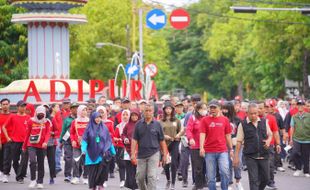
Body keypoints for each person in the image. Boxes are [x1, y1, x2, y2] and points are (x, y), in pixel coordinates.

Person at [233, 103, 273, 190]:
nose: (254, 115)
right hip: (250, 156)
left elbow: (270, 134)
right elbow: (239, 142)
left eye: (255, 113)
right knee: (253, 180)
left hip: (264, 155)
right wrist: (236, 157)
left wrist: (268, 141)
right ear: (247, 113)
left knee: (266, 179)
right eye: (251, 113)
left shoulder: (264, 122)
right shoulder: (242, 124)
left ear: (258, 112)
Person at [131, 103, 167, 190]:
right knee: (140, 177)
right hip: (141, 154)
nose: (148, 112)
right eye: (146, 111)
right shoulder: (138, 124)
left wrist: (165, 154)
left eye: (150, 111)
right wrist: (132, 154)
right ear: (143, 112)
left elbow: (162, 141)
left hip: (154, 153)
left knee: (151, 176)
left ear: (153, 112)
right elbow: (134, 140)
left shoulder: (157, 124)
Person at [199, 99, 233, 190]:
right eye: (211, 108)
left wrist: (231, 149)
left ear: (219, 108)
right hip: (209, 151)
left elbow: (228, 135)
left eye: (215, 107)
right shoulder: (204, 120)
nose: (212, 109)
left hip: (222, 151)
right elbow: (202, 134)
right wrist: (201, 147)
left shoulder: (225, 120)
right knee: (210, 177)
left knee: (225, 172)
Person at [81, 112, 116, 190]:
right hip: (91, 154)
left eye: (100, 117)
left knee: (102, 173)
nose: (98, 119)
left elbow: (108, 141)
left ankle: (101, 186)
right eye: (96, 117)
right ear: (93, 118)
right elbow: (84, 140)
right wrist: (83, 149)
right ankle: (92, 187)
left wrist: (113, 151)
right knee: (93, 174)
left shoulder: (104, 128)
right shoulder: (88, 128)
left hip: (103, 155)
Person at [22, 106, 51, 189]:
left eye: (43, 114)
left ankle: (40, 182)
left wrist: (45, 142)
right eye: (39, 113)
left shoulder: (47, 122)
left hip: (42, 146)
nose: (41, 115)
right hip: (31, 145)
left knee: (41, 163)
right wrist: (24, 146)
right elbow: (27, 133)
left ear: (45, 114)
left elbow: (48, 133)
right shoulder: (31, 121)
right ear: (36, 113)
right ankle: (33, 180)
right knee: (33, 161)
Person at [2, 100, 30, 183]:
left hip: (25, 142)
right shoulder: (13, 116)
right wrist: (7, 137)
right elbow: (4, 127)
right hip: (14, 142)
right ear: (17, 107)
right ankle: (19, 174)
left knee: (24, 160)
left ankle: (20, 177)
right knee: (15, 160)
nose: (23, 108)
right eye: (21, 106)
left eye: (24, 106)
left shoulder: (28, 117)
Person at [160, 102, 183, 189]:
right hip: (164, 143)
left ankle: (173, 182)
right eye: (166, 109)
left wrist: (178, 135)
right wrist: (164, 136)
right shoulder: (161, 121)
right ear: (164, 110)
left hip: (174, 142)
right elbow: (158, 132)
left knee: (174, 162)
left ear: (172, 110)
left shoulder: (176, 120)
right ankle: (168, 179)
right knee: (165, 163)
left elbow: (181, 131)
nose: (168, 110)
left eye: (170, 109)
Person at [221, 101, 244, 190]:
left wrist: (240, 140)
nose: (224, 110)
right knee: (227, 164)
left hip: (236, 145)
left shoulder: (238, 120)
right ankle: (229, 183)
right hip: (225, 145)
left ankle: (238, 181)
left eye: (226, 109)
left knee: (237, 163)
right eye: (223, 108)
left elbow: (242, 132)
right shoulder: (221, 119)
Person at [186, 102, 207, 190]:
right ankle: (198, 185)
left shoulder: (207, 118)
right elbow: (188, 130)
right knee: (198, 167)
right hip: (196, 146)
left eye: (206, 108)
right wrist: (190, 138)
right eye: (203, 109)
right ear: (198, 109)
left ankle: (204, 182)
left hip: (206, 146)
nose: (205, 111)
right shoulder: (193, 118)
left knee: (205, 166)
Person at [59, 102, 79, 182]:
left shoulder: (81, 118)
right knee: (68, 158)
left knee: (76, 159)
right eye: (74, 108)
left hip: (77, 140)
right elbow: (63, 130)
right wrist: (61, 141)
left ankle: (76, 175)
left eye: (77, 108)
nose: (75, 109)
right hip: (67, 140)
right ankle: (67, 175)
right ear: (71, 109)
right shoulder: (67, 119)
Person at [290, 99, 310, 177]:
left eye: (302, 105)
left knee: (306, 156)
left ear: (304, 106)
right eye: (299, 105)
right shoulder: (294, 116)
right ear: (297, 106)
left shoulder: (309, 115)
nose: (300, 106)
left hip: (307, 139)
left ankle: (306, 171)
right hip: (296, 138)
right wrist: (291, 139)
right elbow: (292, 128)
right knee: (294, 153)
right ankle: (298, 168)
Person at [121, 109, 140, 190]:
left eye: (136, 115)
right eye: (132, 115)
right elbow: (123, 134)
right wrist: (125, 138)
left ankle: (137, 185)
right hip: (128, 149)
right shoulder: (128, 125)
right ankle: (131, 185)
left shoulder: (141, 124)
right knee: (129, 168)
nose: (134, 117)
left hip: (139, 149)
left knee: (137, 168)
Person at [70, 105, 89, 185]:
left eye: (85, 110)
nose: (84, 112)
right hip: (77, 145)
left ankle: (85, 177)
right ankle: (76, 177)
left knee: (86, 162)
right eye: (82, 110)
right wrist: (73, 140)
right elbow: (72, 133)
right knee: (75, 161)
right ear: (79, 111)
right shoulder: (75, 121)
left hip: (87, 145)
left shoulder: (89, 121)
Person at [97, 105, 115, 182]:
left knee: (109, 158)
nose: (101, 114)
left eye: (102, 112)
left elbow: (112, 133)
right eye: (99, 112)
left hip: (108, 143)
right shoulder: (95, 122)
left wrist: (106, 135)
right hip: (98, 143)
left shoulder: (110, 122)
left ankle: (111, 171)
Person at [114, 109, 130, 188]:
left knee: (129, 164)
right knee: (121, 164)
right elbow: (115, 137)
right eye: (123, 115)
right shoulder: (118, 126)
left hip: (130, 148)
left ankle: (129, 180)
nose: (125, 116)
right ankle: (122, 180)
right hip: (120, 147)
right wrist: (117, 139)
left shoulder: (133, 126)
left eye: (127, 115)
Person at [46, 104, 60, 184]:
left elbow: (57, 131)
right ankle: (38, 180)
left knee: (51, 161)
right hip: (40, 143)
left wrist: (52, 133)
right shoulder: (37, 120)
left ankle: (52, 177)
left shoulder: (52, 119)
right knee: (39, 161)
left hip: (51, 143)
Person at [0, 98, 11, 182]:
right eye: (3, 104)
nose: (5, 106)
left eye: (6, 104)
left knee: (7, 158)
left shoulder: (12, 116)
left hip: (9, 140)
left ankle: (5, 174)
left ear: (9, 105)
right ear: (1, 105)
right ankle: (1, 172)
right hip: (0, 140)